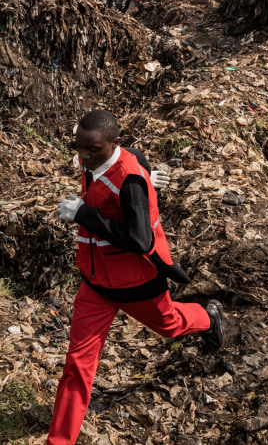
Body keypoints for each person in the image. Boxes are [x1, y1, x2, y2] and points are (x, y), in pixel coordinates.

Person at [47, 109, 226, 445]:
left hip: (136, 284)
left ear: (114, 144)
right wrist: (147, 171)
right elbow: (136, 160)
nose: (83, 156)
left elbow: (141, 240)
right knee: (77, 365)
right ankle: (59, 442)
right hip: (96, 284)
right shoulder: (101, 159)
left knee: (170, 325)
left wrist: (84, 213)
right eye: (79, 147)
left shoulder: (128, 181)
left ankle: (207, 316)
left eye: (92, 150)